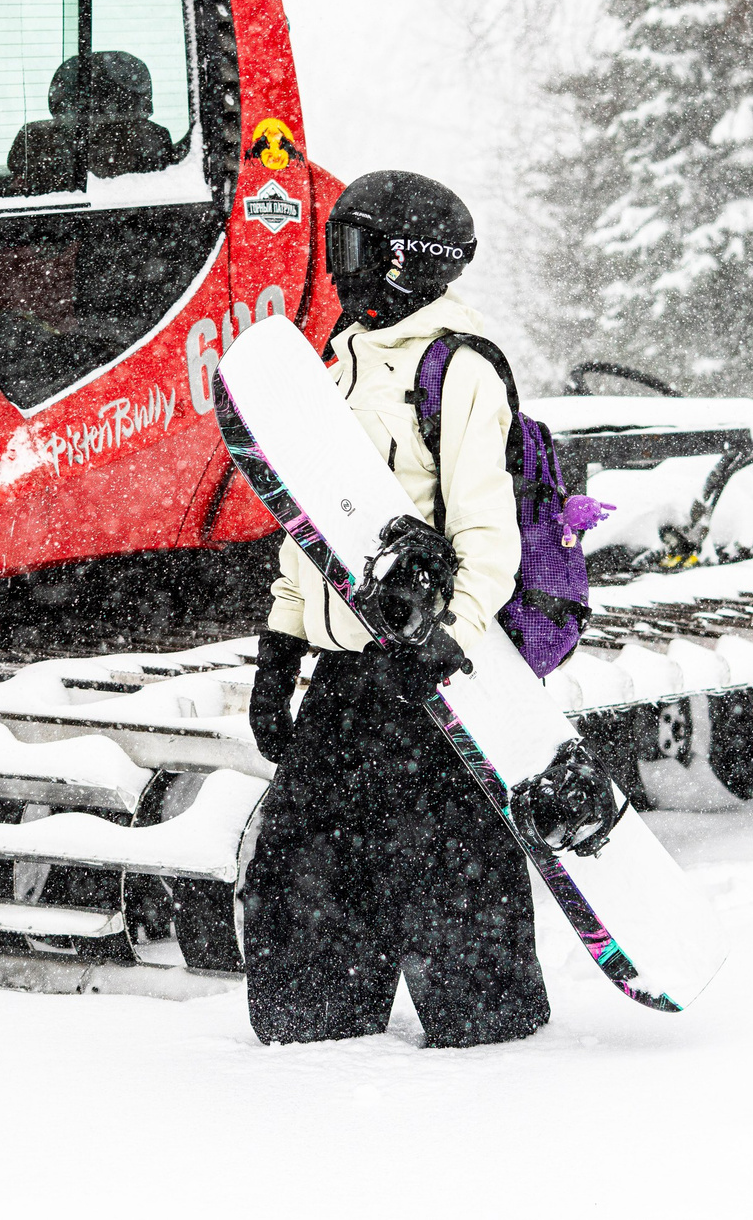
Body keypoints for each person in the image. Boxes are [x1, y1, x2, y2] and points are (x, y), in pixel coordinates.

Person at [238, 170, 552, 1049]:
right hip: (344, 680)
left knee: (449, 871)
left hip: (424, 678)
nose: (341, 269)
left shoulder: (460, 368)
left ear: (406, 258)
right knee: (305, 864)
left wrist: (449, 639)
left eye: (356, 248)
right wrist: (281, 648)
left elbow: (488, 536)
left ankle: (490, 1037)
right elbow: (310, 526)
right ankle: (317, 1023)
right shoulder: (338, 356)